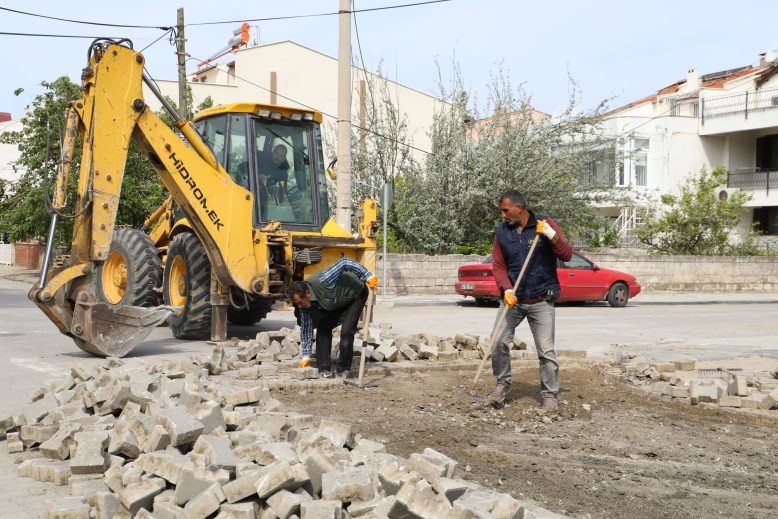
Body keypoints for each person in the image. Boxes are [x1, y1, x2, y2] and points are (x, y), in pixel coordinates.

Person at [488, 190, 573, 411]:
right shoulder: (502, 233)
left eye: (506, 210)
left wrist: (550, 234)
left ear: (519, 207)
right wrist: (506, 289)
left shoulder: (544, 223)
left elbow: (567, 255)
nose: (503, 215)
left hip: (542, 299)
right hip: (513, 300)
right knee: (497, 342)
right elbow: (498, 266)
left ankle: (549, 395)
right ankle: (502, 382)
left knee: (546, 350)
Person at [289, 258, 379, 378]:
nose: (299, 306)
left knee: (346, 331)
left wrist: (367, 275)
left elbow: (344, 262)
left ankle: (343, 369)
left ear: (307, 294)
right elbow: (306, 328)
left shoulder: (324, 280)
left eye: (300, 302)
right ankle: (324, 369)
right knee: (323, 327)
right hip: (336, 300)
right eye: (297, 304)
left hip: (355, 294)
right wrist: (306, 354)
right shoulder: (303, 306)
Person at [258, 144, 290, 211]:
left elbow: (283, 190)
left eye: (281, 156)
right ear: (273, 152)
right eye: (276, 153)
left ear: (284, 158)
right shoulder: (262, 157)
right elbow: (246, 169)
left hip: (266, 193)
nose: (277, 157)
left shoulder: (283, 170)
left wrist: (281, 201)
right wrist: (257, 176)